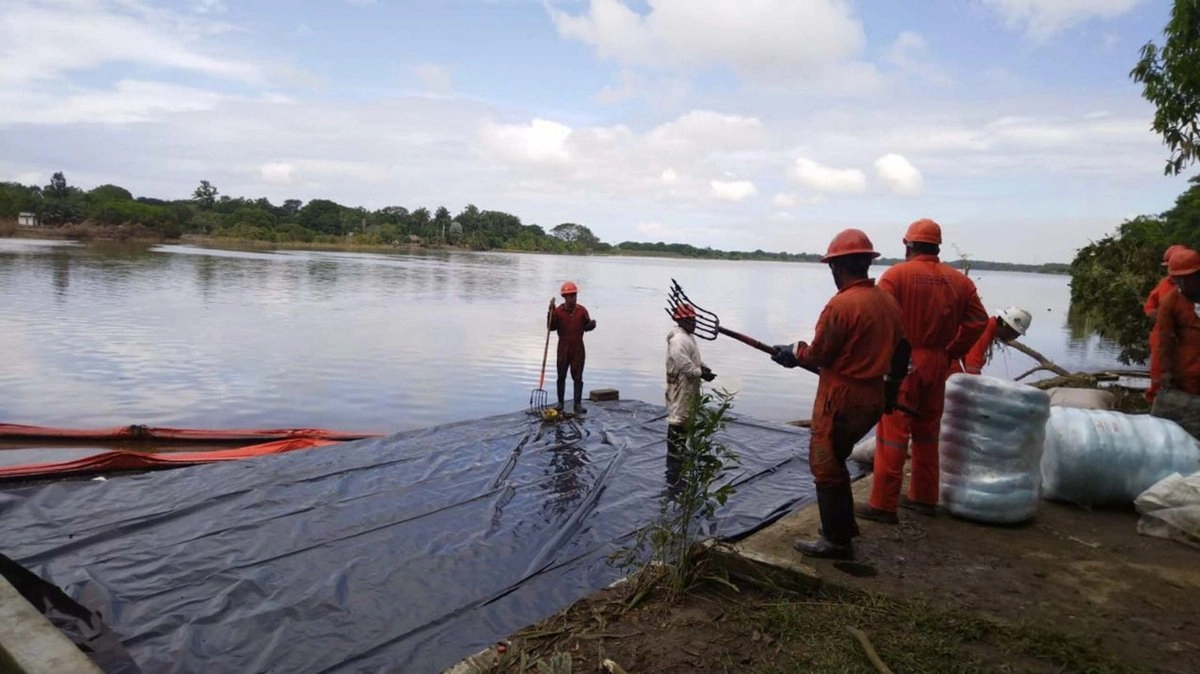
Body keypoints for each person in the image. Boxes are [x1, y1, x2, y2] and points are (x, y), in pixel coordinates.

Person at [770, 229, 907, 560]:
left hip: (842, 397)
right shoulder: (887, 301)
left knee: (826, 465)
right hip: (874, 395)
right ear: (866, 263)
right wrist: (891, 390)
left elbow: (820, 354)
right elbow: (902, 350)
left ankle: (836, 541)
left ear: (838, 267)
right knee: (839, 457)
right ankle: (844, 528)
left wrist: (794, 352)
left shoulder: (842, 305)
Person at [861, 218, 988, 523]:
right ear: (937, 247)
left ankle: (883, 504)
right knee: (928, 432)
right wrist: (952, 350)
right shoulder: (960, 282)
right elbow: (978, 322)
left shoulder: (896, 275)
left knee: (893, 433)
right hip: (938, 362)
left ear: (908, 245)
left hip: (903, 362)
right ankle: (924, 497)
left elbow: (878, 317)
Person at [665, 303, 716, 493]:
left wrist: (703, 367)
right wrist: (701, 373)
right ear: (682, 320)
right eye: (691, 320)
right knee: (678, 418)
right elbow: (684, 365)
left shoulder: (688, 337)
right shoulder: (678, 339)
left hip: (688, 384)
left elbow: (693, 359)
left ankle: (680, 454)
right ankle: (674, 461)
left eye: (694, 320)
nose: (694, 323)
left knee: (686, 417)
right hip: (680, 384)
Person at [1153, 248, 1200, 396]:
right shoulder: (1169, 303)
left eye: (1188, 277)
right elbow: (1165, 339)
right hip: (1188, 371)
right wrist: (1166, 371)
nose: (1183, 283)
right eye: (1179, 279)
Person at [548, 281, 597, 414]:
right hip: (563, 347)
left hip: (578, 348)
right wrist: (550, 313)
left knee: (578, 377)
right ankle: (560, 403)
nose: (572, 298)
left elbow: (586, 325)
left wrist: (591, 325)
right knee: (561, 376)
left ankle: (577, 404)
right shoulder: (558, 312)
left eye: (574, 295)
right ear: (564, 297)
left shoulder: (581, 311)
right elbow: (551, 327)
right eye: (569, 296)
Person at [1145, 244, 1187, 402]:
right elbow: (1150, 304)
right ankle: (1154, 400)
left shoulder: (1193, 287)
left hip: (1186, 338)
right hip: (1162, 334)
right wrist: (1154, 314)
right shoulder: (1164, 284)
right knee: (1159, 370)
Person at [948, 306, 1032, 376]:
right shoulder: (983, 330)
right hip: (947, 363)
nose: (1014, 338)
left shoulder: (986, 328)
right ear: (1005, 325)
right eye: (1014, 334)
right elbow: (972, 365)